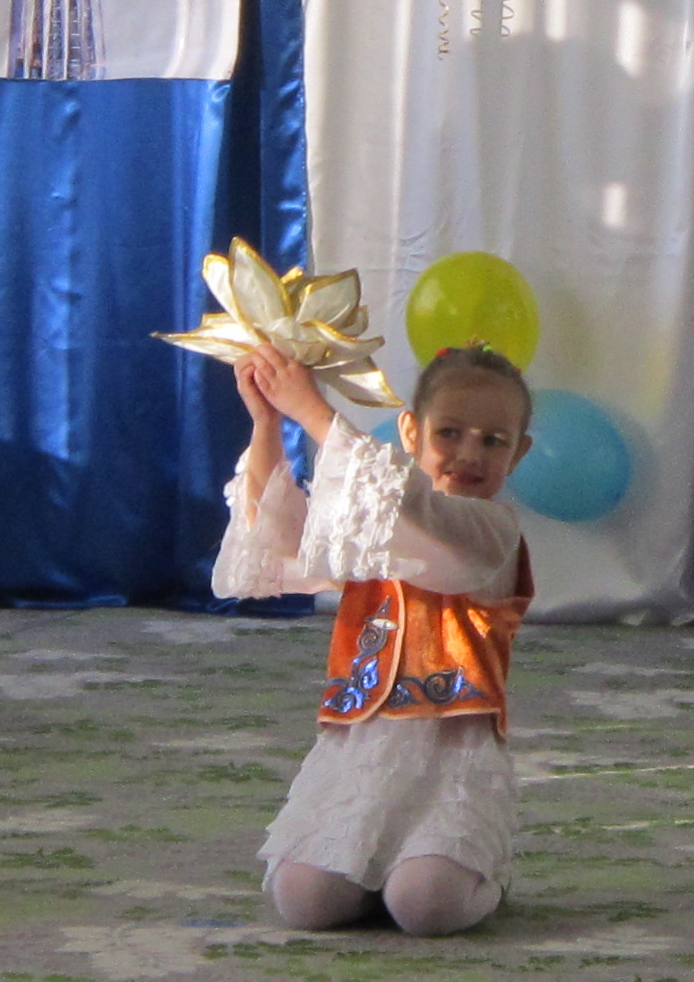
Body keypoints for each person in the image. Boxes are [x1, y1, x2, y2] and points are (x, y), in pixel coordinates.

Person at [213, 343, 533, 939]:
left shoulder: (489, 532)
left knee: (427, 907)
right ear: (411, 431)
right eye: (450, 432)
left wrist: (314, 412)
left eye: (493, 440)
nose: (469, 453)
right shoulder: (373, 530)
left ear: (519, 453)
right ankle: (377, 876)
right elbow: (280, 542)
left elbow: (415, 513)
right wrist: (268, 422)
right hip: (363, 748)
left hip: (448, 754)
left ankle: (478, 874)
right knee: (304, 903)